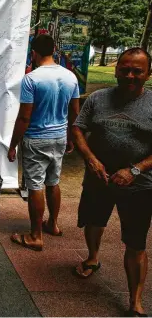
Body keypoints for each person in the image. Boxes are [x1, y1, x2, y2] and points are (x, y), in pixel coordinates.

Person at [72, 48, 152, 317]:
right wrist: (91, 160)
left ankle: (135, 301)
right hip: (99, 178)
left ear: (147, 74)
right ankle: (93, 257)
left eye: (137, 71)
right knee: (93, 222)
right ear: (116, 69)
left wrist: (136, 170)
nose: (130, 75)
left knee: (136, 242)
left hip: (139, 185)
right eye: (124, 69)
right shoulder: (97, 98)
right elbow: (78, 128)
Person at [8, 34, 80, 251]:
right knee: (53, 182)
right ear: (54, 50)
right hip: (59, 137)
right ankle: (53, 225)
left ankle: (36, 235)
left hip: (36, 138)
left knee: (35, 185)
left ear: (34, 53)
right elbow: (75, 112)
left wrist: (13, 144)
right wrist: (70, 136)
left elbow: (24, 117)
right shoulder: (70, 77)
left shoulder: (32, 79)